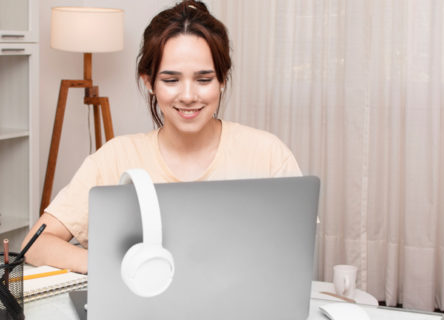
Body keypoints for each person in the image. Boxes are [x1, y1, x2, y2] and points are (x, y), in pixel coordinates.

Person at [22, 0, 301, 274]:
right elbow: (35, 245)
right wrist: (119, 268)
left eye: (204, 79)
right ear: (149, 81)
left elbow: (295, 251)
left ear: (222, 79)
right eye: (171, 80)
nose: (189, 96)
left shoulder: (268, 154)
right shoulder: (116, 157)